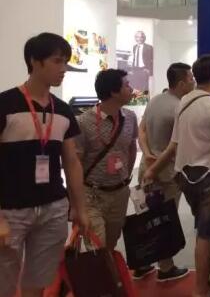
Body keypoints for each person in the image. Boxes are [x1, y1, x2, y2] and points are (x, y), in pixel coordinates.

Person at [0, 32, 89, 297]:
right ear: (34, 61)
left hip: (53, 207)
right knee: (4, 282)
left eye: (65, 62)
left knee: (39, 281)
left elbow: (71, 162)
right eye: (57, 61)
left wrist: (80, 208)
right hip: (10, 209)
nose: (63, 69)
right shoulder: (5, 104)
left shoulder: (62, 110)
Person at [145, 55, 210, 297]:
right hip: (208, 179)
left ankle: (208, 277)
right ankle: (200, 290)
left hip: (184, 177)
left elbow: (174, 144)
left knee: (203, 231)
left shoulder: (183, 103)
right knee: (205, 234)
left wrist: (153, 169)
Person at [133, 63, 194, 281]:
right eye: (191, 78)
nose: (193, 82)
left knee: (146, 218)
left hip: (147, 168)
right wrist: (155, 168)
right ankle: (166, 268)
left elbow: (141, 130)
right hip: (165, 174)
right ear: (182, 83)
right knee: (165, 218)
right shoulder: (180, 108)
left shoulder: (155, 100)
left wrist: (147, 154)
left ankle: (142, 263)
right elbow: (174, 147)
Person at [76, 69, 137, 250]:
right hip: (92, 195)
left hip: (120, 193)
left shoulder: (130, 117)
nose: (131, 89)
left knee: (111, 244)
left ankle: (108, 270)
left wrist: (125, 177)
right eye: (127, 85)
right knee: (97, 248)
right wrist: (76, 202)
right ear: (113, 92)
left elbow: (131, 147)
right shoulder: (83, 122)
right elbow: (75, 161)